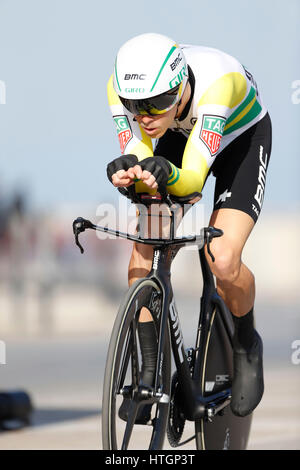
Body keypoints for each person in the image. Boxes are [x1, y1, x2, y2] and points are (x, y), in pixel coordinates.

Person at [106, 33, 272, 420]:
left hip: (239, 139)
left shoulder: (218, 83)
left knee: (223, 258)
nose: (144, 115)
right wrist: (129, 171)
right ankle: (149, 368)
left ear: (180, 88)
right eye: (136, 106)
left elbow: (191, 180)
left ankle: (246, 343)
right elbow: (139, 150)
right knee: (144, 249)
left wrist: (162, 174)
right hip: (178, 137)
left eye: (155, 103)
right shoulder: (119, 87)